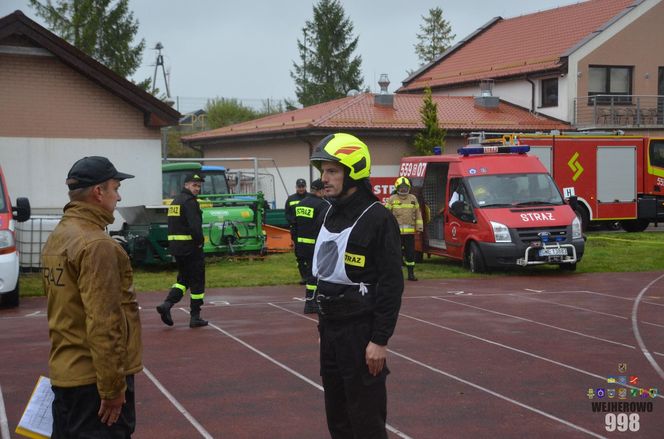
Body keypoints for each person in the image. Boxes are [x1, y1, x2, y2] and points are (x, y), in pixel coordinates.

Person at [310, 133, 404, 439]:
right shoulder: (328, 213)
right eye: (323, 171)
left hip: (361, 333)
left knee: (365, 418)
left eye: (332, 171)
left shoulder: (378, 218)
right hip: (331, 329)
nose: (324, 178)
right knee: (336, 416)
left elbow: (392, 284)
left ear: (354, 171)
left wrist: (380, 340)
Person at [41, 156, 142, 438]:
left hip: (65, 375)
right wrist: (112, 389)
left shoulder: (59, 235)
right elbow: (103, 322)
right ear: (99, 192)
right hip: (93, 384)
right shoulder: (98, 245)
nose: (118, 196)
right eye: (115, 188)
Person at [157, 173, 209, 328]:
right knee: (197, 281)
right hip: (191, 248)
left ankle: (167, 305)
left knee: (183, 280)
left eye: (199, 186)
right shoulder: (190, 202)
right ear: (186, 185)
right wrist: (199, 242)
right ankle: (195, 316)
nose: (197, 189)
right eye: (194, 185)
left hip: (177, 249)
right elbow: (195, 226)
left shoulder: (176, 201)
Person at [293, 178, 330, 313]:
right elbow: (324, 225)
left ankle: (312, 301)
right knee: (315, 275)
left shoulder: (300, 204)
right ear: (320, 191)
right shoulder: (323, 205)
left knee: (309, 273)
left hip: (301, 245)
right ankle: (311, 302)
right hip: (315, 245)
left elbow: (294, 225)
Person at [385, 176, 423, 281]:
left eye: (405, 187)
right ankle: (396, 275)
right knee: (396, 254)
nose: (403, 189)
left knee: (410, 254)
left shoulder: (413, 199)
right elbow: (386, 215)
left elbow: (418, 214)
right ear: (397, 187)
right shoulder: (392, 199)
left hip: (409, 234)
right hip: (395, 233)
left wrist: (419, 227)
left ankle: (411, 274)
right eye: (401, 187)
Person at [285, 178, 309, 283]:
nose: (301, 189)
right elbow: (287, 214)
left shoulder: (310, 197)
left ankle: (311, 276)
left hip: (309, 230)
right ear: (296, 187)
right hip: (296, 230)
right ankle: (304, 277)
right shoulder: (291, 199)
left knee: (310, 254)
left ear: (305, 187)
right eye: (299, 187)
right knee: (299, 255)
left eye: (303, 186)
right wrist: (294, 222)